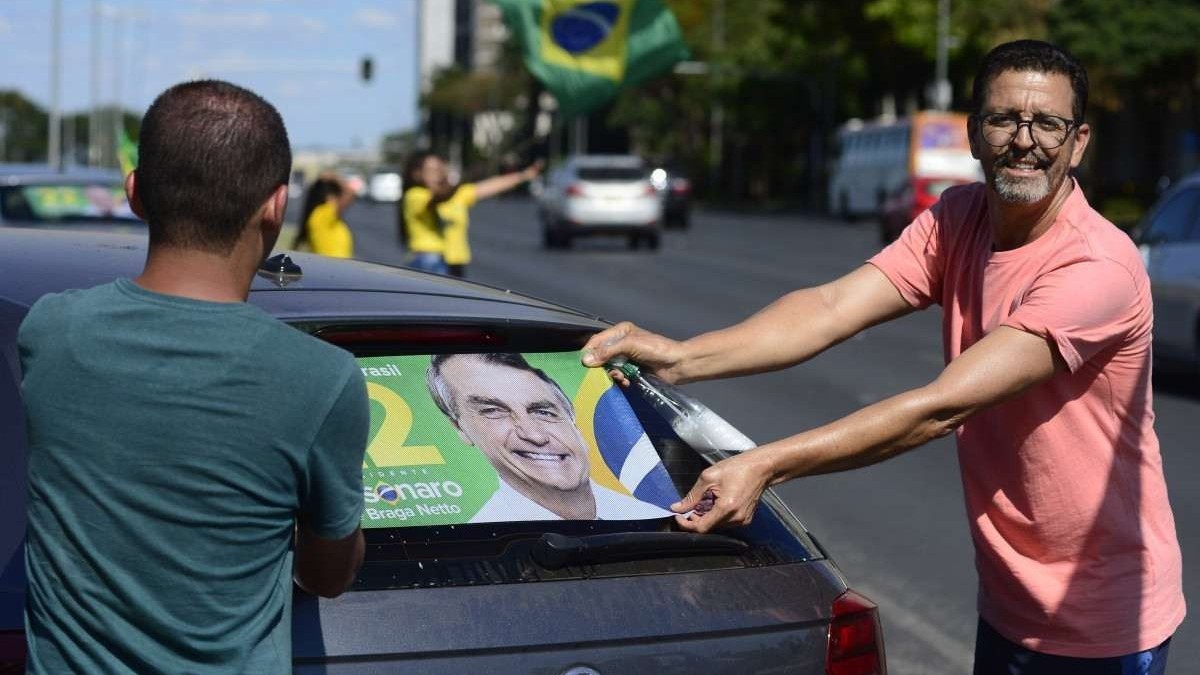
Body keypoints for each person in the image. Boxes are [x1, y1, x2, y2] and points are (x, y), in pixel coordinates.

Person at [581, 40, 1183, 674]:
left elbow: (942, 407)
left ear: (1078, 142)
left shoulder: (1095, 266)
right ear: (975, 134)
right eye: (1004, 119)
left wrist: (763, 466)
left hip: (1101, 618)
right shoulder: (959, 218)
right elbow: (831, 308)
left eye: (1048, 124)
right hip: (1011, 601)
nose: (1025, 140)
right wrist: (681, 358)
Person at [18, 80, 369, 673]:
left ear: (134, 193)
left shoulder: (51, 330)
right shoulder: (323, 378)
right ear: (277, 206)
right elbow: (325, 576)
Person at [426, 353, 669, 521]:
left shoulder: (661, 518)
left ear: (571, 414)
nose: (534, 435)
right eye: (493, 411)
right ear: (460, 428)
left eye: (543, 411)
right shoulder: (475, 545)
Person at [399, 152, 543, 276]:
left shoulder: (457, 194)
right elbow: (438, 198)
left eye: (440, 169)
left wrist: (523, 175)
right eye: (432, 170)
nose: (438, 174)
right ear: (418, 174)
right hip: (429, 259)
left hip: (455, 260)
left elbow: (491, 186)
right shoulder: (415, 195)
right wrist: (464, 177)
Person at [293, 173, 356, 258]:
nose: (338, 199)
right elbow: (350, 193)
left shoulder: (318, 216)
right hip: (334, 267)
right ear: (329, 197)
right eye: (336, 195)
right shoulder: (323, 214)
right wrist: (334, 177)